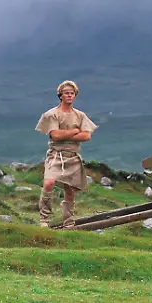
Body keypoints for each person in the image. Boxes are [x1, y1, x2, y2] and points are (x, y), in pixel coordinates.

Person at [35, 81, 97, 228]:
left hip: (73, 155)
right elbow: (55, 135)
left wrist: (66, 135)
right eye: (66, 93)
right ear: (60, 95)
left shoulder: (80, 115)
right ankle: (44, 219)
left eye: (72, 93)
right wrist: (75, 131)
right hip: (56, 155)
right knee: (49, 183)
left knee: (70, 189)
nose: (69, 95)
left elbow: (86, 136)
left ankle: (68, 222)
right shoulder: (52, 114)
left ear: (75, 95)